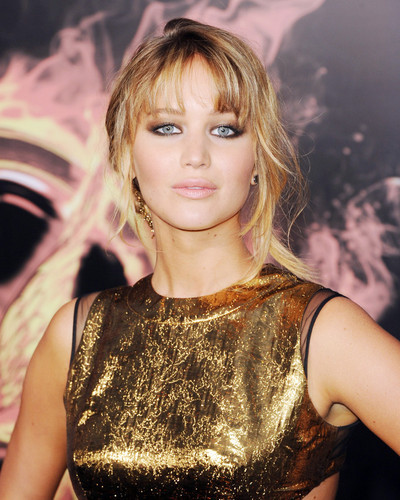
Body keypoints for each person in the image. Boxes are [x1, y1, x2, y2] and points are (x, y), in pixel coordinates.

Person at [0, 17, 399, 500]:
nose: (196, 155)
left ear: (258, 158)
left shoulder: (322, 332)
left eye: (224, 129)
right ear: (127, 153)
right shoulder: (76, 335)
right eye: (167, 127)